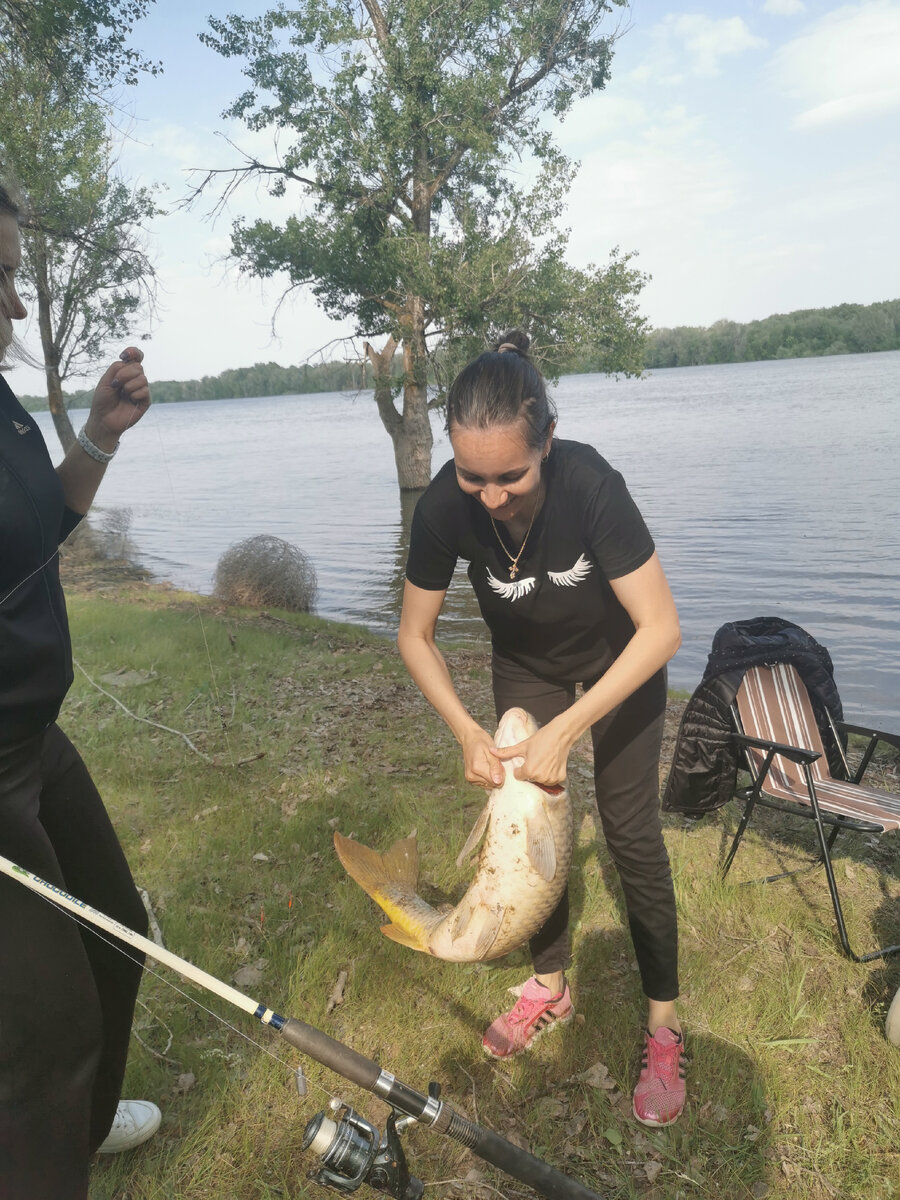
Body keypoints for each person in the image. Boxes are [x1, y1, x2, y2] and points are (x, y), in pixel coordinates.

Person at [397, 330, 686, 1127]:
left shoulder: (590, 485)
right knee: (522, 833)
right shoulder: (442, 506)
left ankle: (663, 1025)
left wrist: (570, 727)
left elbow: (662, 628)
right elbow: (414, 636)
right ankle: (550, 986)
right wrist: (465, 729)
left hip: (621, 661)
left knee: (629, 833)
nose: (490, 497)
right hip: (525, 664)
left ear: (547, 442)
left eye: (511, 477)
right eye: (472, 477)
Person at [0, 183, 160, 1198]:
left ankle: (77, 1135)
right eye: (1, 279)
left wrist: (99, 433)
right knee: (44, 1034)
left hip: (33, 740)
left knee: (117, 935)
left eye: (15, 276)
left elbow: (36, 527)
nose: (17, 305)